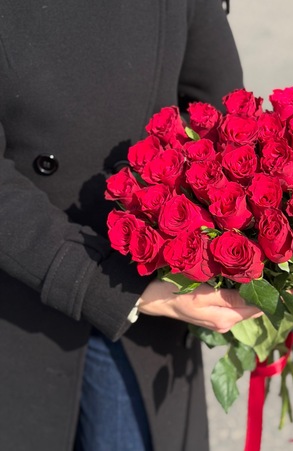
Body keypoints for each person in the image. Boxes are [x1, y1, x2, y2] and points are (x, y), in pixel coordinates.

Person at [0, 1, 260, 450]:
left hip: (145, 295)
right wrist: (106, 286)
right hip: (22, 285)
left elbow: (216, 109)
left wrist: (266, 248)